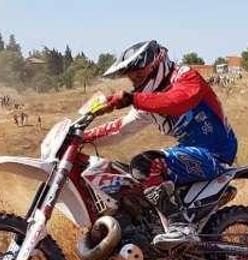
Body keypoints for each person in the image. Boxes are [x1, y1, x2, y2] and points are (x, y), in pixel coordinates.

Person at [84, 40, 238, 247]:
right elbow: (120, 128)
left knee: (145, 163)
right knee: (128, 176)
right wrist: (81, 137)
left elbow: (177, 101)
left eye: (138, 74)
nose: (135, 81)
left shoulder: (185, 76)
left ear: (156, 64)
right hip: (189, 152)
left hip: (215, 153)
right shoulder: (147, 101)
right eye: (131, 77)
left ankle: (181, 226)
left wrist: (132, 99)